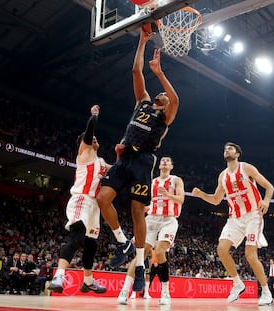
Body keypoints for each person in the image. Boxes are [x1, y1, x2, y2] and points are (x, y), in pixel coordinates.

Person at [96, 25, 179, 293]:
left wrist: (160, 73)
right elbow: (135, 71)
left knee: (135, 211)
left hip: (144, 160)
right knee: (102, 198)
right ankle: (124, 243)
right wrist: (142, 41)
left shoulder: (165, 116)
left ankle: (141, 264)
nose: (162, 94)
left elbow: (176, 99)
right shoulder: (142, 101)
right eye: (161, 92)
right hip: (124, 158)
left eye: (164, 95)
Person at [192, 142, 274, 306]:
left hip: (253, 215)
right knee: (221, 249)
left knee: (250, 255)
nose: (226, 150)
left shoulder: (246, 168)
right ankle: (237, 284)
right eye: (224, 149)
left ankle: (266, 291)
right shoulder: (222, 176)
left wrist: (266, 201)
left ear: (237, 154)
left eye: (230, 148)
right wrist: (201, 194)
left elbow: (269, 187)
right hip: (235, 218)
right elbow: (216, 200)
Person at [48, 105, 110, 294]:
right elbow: (90, 132)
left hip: (94, 205)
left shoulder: (100, 162)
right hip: (81, 199)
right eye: (91, 139)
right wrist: (94, 116)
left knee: (91, 243)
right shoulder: (85, 152)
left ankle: (88, 281)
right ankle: (59, 275)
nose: (95, 140)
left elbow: (118, 170)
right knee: (77, 235)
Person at [117, 156, 185, 305]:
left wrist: (167, 194)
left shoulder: (176, 180)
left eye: (168, 161)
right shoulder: (152, 181)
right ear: (159, 165)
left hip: (169, 219)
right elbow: (145, 203)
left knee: (160, 252)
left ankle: (165, 292)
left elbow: (181, 199)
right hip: (152, 219)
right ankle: (124, 290)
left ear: (171, 166)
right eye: (163, 160)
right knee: (141, 255)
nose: (165, 162)